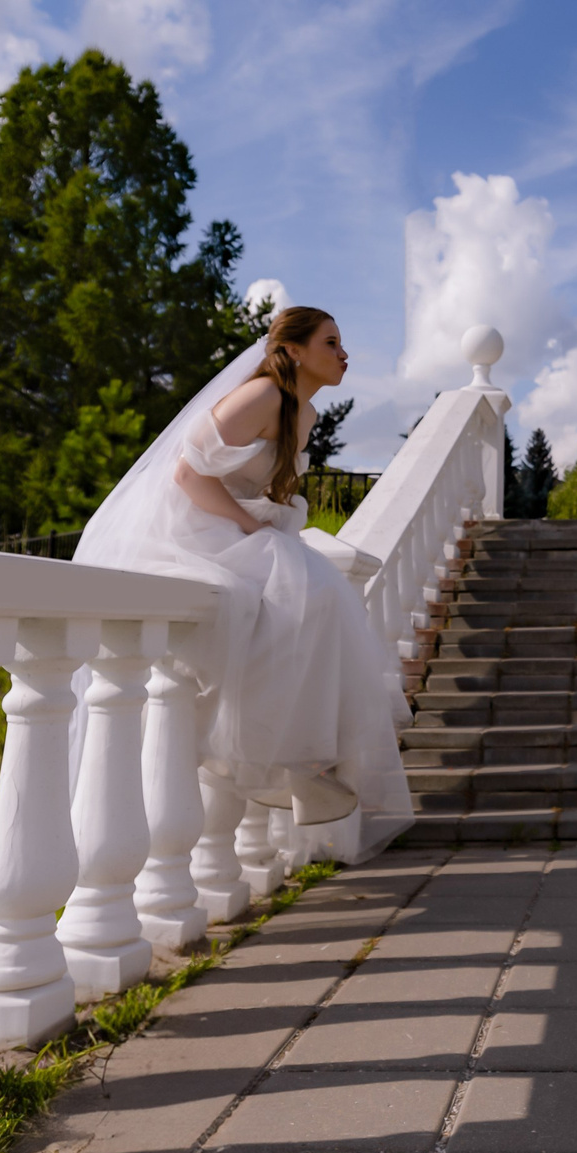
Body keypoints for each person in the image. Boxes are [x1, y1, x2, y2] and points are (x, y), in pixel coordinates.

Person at [76, 305, 409, 833]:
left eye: (342, 343)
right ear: (294, 351)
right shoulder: (263, 396)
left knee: (318, 596)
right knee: (309, 587)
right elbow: (188, 475)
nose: (344, 354)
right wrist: (253, 529)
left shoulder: (305, 416)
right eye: (331, 342)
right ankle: (278, 750)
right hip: (191, 525)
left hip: (233, 525)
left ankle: (306, 754)